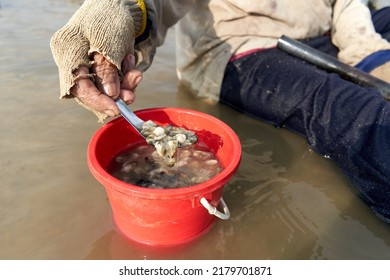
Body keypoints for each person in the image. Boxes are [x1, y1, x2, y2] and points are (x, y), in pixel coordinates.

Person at [50, 0, 390, 222]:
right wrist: (117, 11)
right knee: (359, 114)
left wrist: (367, 52)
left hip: (329, 31)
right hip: (243, 46)